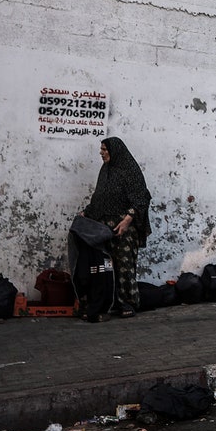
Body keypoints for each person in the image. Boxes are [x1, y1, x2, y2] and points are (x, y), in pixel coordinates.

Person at [81, 137, 152, 319]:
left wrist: (128, 219)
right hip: (105, 228)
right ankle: (107, 303)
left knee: (124, 265)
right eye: (101, 149)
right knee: (105, 267)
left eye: (105, 149)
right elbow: (100, 197)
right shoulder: (105, 170)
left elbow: (142, 197)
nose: (101, 152)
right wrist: (87, 213)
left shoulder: (130, 171)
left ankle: (127, 303)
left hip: (124, 229)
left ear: (115, 151)